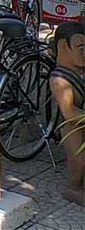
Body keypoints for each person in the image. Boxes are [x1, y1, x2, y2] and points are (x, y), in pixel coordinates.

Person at [50, 21, 85, 205]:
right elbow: (68, 111)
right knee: (78, 160)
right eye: (81, 48)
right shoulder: (59, 80)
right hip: (72, 126)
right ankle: (74, 188)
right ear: (64, 47)